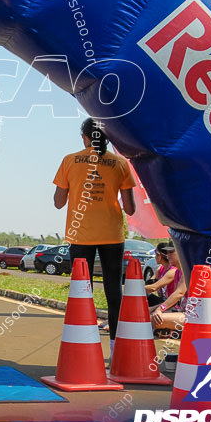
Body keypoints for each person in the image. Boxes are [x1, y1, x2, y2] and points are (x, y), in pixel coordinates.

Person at [53, 117, 136, 357]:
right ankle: (116, 348)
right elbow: (129, 209)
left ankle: (83, 349)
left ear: (84, 137)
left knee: (82, 291)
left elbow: (59, 203)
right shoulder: (120, 163)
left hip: (80, 235)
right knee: (113, 290)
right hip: (112, 235)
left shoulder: (70, 160)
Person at [145, 242, 181, 307]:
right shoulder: (161, 268)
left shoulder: (172, 271)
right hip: (163, 301)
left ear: (160, 256)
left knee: (144, 295)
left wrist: (136, 288)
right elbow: (150, 283)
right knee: (144, 296)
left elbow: (153, 287)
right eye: (167, 253)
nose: (155, 257)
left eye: (156, 255)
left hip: (169, 303)